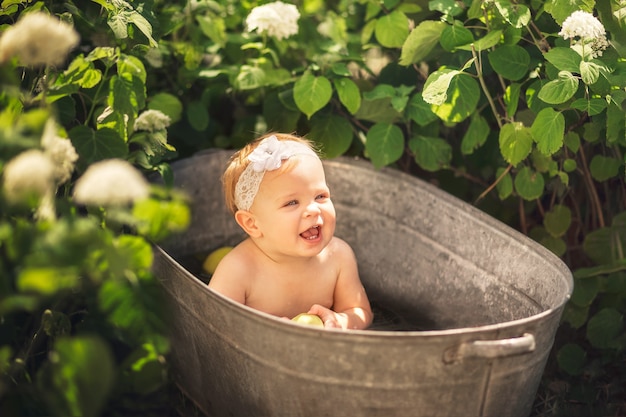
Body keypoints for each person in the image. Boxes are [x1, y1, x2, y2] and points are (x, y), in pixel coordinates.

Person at [208, 133, 373, 330]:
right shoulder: (239, 269)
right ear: (252, 224)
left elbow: (360, 310)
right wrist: (265, 331)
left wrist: (342, 321)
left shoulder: (338, 257)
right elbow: (213, 326)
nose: (313, 209)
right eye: (292, 202)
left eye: (320, 196)